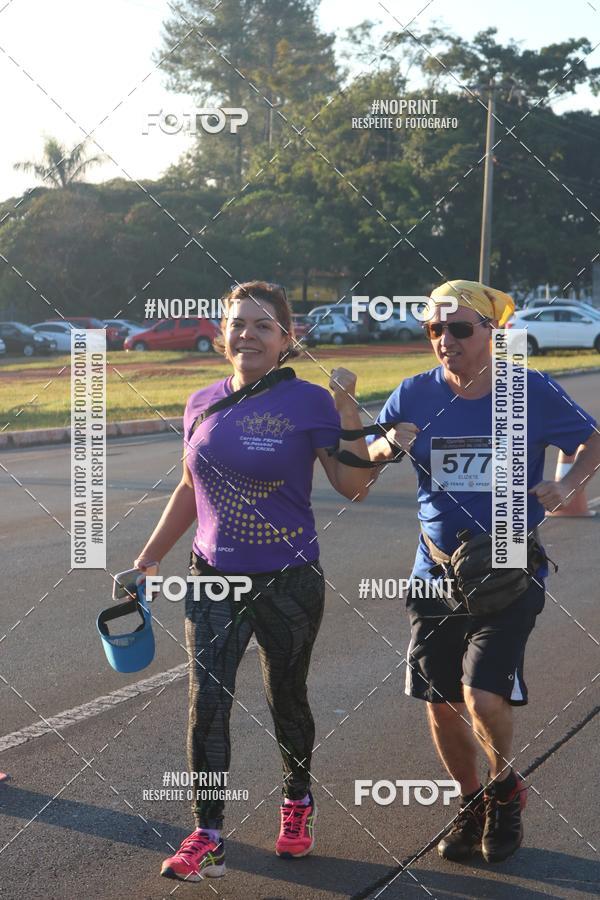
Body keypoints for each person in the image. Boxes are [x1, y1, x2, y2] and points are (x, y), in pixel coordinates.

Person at [133, 281, 372, 881]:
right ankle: (207, 834)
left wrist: (347, 413)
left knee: (285, 698)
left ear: (287, 339)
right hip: (212, 577)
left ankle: (296, 803)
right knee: (206, 705)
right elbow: (190, 489)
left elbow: (354, 486)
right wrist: (148, 557)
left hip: (288, 580)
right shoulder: (198, 402)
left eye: (264, 326)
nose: (249, 334)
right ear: (222, 336)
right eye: (238, 324)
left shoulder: (312, 402)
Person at [367, 280, 600, 864]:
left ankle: (504, 791)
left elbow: (594, 441)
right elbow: (373, 451)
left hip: (509, 565)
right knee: (440, 701)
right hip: (434, 572)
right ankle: (472, 801)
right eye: (435, 329)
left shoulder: (532, 391)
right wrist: (385, 444)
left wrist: (569, 482)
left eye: (461, 328)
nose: (446, 340)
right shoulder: (413, 393)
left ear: (493, 334)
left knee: (482, 695)